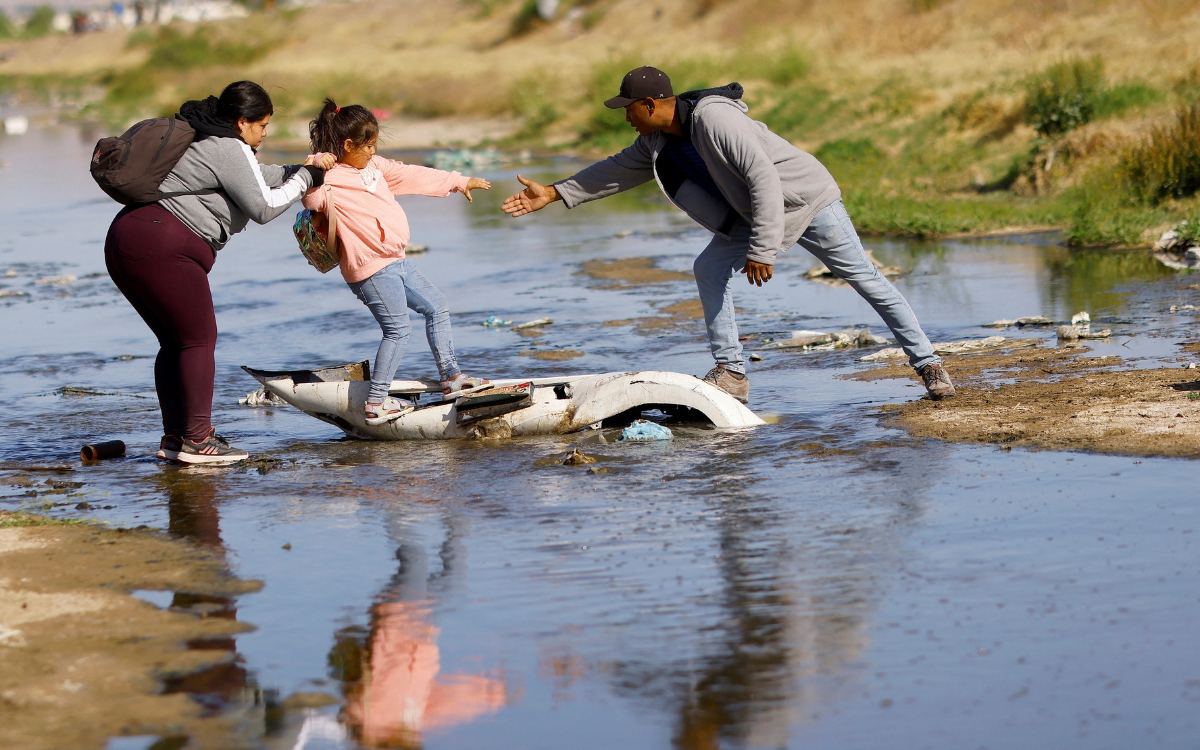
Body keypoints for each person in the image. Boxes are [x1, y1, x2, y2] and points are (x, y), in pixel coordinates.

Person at [501, 66, 955, 404]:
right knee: (708, 267)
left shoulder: (716, 119)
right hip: (750, 214)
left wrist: (763, 250)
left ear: (651, 105)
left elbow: (765, 180)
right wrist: (556, 192)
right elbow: (615, 170)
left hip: (806, 202)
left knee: (866, 279)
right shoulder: (656, 141)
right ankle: (733, 372)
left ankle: (929, 364)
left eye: (629, 110)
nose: (627, 120)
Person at [104, 80, 333, 465]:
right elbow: (264, 207)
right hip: (162, 246)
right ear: (242, 122)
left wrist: (299, 169)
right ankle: (197, 440)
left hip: (131, 241)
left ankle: (177, 438)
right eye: (262, 126)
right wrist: (307, 178)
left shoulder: (210, 140)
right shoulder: (229, 147)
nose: (264, 133)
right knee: (198, 338)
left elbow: (257, 179)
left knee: (176, 342)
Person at [303, 100, 491, 426]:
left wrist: (458, 181)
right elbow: (309, 196)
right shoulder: (329, 178)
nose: (373, 150)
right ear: (347, 146)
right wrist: (315, 163)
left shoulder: (376, 168)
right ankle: (376, 402)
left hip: (397, 261)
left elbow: (413, 174)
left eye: (375, 143)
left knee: (437, 306)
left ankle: (452, 378)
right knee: (398, 330)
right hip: (370, 270)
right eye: (368, 145)